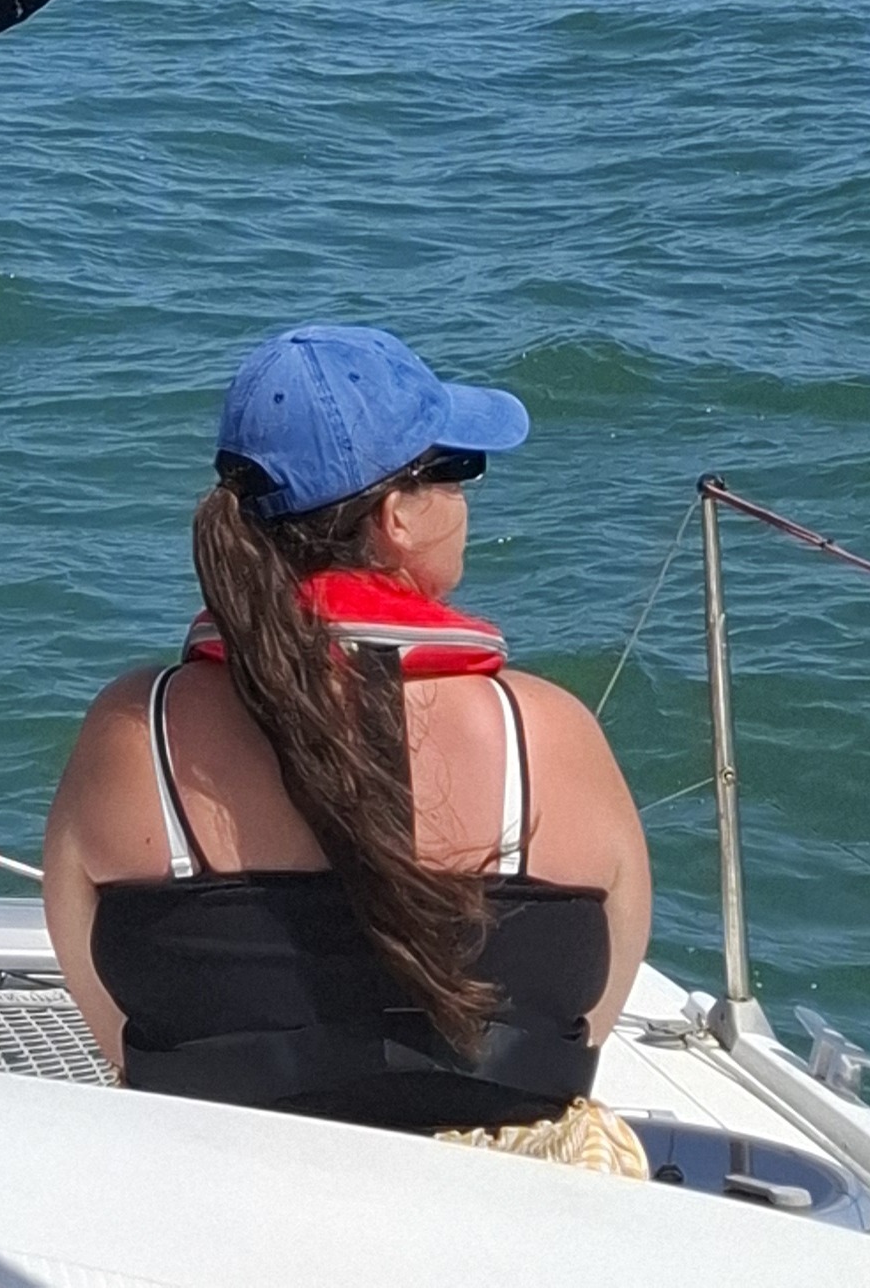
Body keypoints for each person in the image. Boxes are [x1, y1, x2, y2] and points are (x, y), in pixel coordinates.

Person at [43, 325, 652, 1162]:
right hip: (506, 1201)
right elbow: (591, 1017)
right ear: (396, 515)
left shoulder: (134, 731)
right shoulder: (546, 733)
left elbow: (112, 1021)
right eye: (458, 470)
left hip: (212, 1181)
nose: (466, 501)